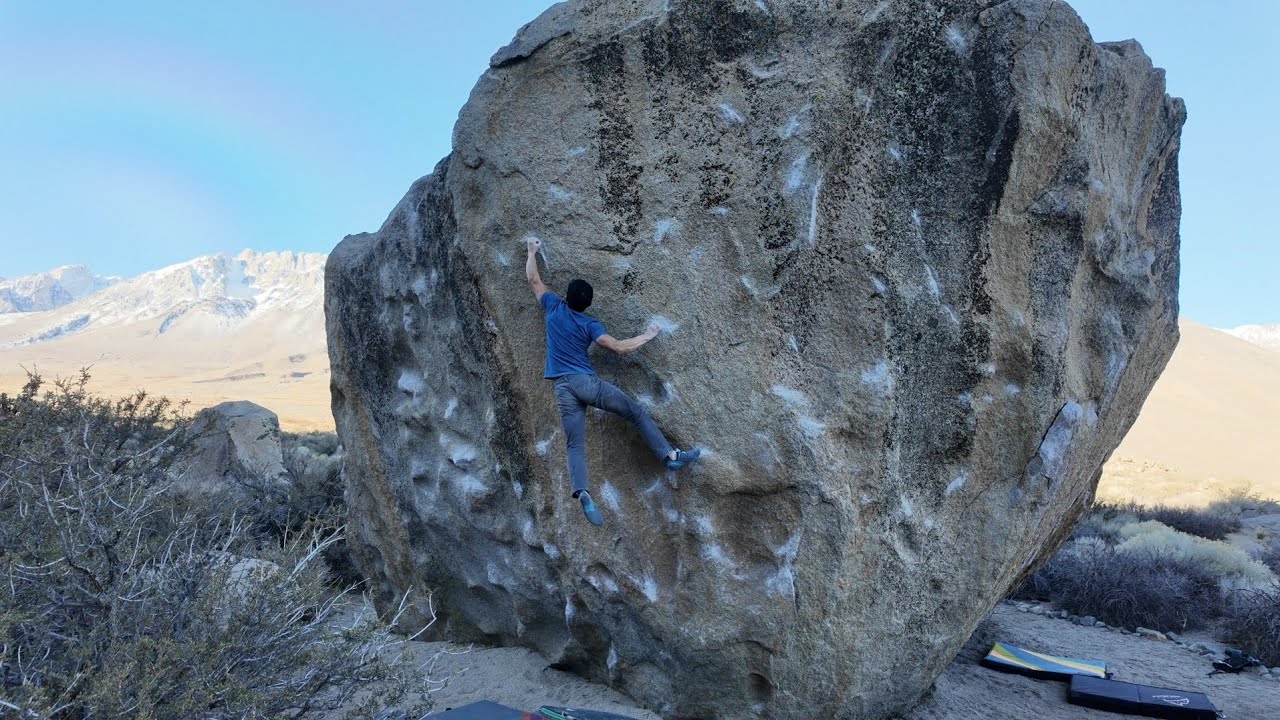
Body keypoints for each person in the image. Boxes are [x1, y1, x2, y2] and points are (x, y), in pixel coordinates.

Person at [524, 237, 700, 526]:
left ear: (567, 296)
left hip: (562, 387)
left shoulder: (553, 307)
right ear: (588, 304)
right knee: (634, 411)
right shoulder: (590, 324)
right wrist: (648, 335)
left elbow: (533, 279)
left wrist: (532, 251)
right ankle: (670, 454)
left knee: (575, 445)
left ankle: (581, 489)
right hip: (585, 384)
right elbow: (617, 347)